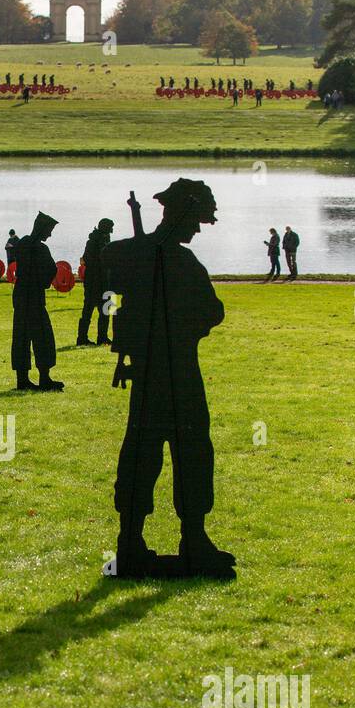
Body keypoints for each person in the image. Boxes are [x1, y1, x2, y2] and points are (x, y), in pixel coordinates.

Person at [103, 179, 234, 579]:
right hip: (177, 373)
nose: (197, 230)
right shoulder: (178, 263)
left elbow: (106, 274)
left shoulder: (137, 255)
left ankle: (137, 540)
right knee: (188, 451)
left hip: (151, 373)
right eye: (195, 221)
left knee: (147, 452)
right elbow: (212, 312)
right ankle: (185, 540)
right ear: (181, 217)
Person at [11, 211, 63, 392]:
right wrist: (43, 282)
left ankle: (22, 379)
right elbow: (51, 269)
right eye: (49, 230)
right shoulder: (40, 248)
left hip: (21, 294)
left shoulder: (23, 243)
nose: (50, 234)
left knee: (22, 336)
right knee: (42, 336)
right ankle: (44, 378)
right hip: (33, 295)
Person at [76, 217, 113, 346]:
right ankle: (82, 337)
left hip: (105, 281)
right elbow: (89, 259)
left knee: (105, 311)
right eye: (110, 228)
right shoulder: (93, 242)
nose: (112, 231)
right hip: (94, 281)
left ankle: (102, 337)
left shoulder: (104, 240)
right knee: (89, 310)